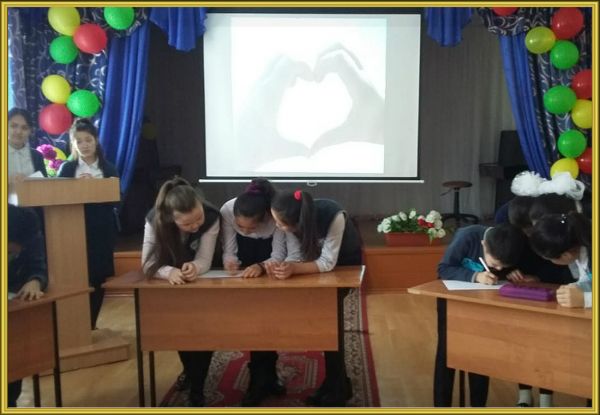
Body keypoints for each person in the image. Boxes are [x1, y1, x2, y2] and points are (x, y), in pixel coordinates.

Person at [267, 189, 362, 407]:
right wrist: (285, 266)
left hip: (344, 267)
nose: (278, 227)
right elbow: (297, 255)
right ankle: (337, 382)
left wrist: (294, 269)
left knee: (330, 321)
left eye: (280, 224)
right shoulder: (292, 219)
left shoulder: (333, 215)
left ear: (296, 222)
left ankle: (337, 386)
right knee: (322, 323)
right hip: (315, 268)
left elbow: (328, 262)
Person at [141, 177, 220, 407]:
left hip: (204, 279)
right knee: (180, 329)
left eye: (198, 219)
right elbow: (148, 263)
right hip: (172, 281)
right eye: (187, 224)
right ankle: (189, 372)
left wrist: (195, 267)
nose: (195, 226)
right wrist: (168, 272)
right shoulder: (155, 219)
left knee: (205, 331)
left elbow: (205, 258)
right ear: (171, 218)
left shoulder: (211, 216)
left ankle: (198, 386)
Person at [435, 223, 527, 407]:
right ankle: (441, 405)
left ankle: (478, 405)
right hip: (452, 300)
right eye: (495, 264)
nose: (498, 268)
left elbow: (505, 270)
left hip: (482, 302)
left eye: (503, 266)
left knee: (480, 353)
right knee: (447, 351)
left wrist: (511, 272)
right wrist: (476, 276)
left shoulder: (512, 243)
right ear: (484, 244)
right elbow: (443, 268)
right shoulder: (467, 237)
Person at [220, 178, 287, 406]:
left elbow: (279, 254)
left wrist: (261, 266)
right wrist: (230, 262)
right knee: (252, 322)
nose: (245, 230)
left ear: (265, 218)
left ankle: (267, 376)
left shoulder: (275, 215)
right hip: (244, 266)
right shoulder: (228, 210)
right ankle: (259, 378)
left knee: (269, 319)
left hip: (269, 264)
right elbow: (229, 249)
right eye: (241, 227)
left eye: (251, 227)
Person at [57, 119, 119, 330]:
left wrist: (96, 188)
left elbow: (117, 199)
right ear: (73, 144)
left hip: (101, 232)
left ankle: (91, 323)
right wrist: (77, 188)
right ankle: (74, 324)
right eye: (79, 141)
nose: (84, 145)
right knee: (75, 276)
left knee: (98, 277)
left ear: (96, 141)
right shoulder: (67, 168)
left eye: (88, 140)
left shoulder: (108, 168)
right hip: (73, 231)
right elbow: (58, 199)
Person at [7, 204, 49, 407]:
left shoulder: (25, 220)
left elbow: (37, 264)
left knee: (12, 374)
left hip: (12, 311)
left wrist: (35, 280)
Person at [529, 212, 591, 309]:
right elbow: (589, 278)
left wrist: (585, 299)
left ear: (566, 255)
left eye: (550, 259)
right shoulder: (580, 245)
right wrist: (576, 287)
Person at [8, 108, 47, 184]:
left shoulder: (37, 156)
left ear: (30, 131)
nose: (19, 132)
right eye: (13, 126)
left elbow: (44, 184)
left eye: (24, 128)